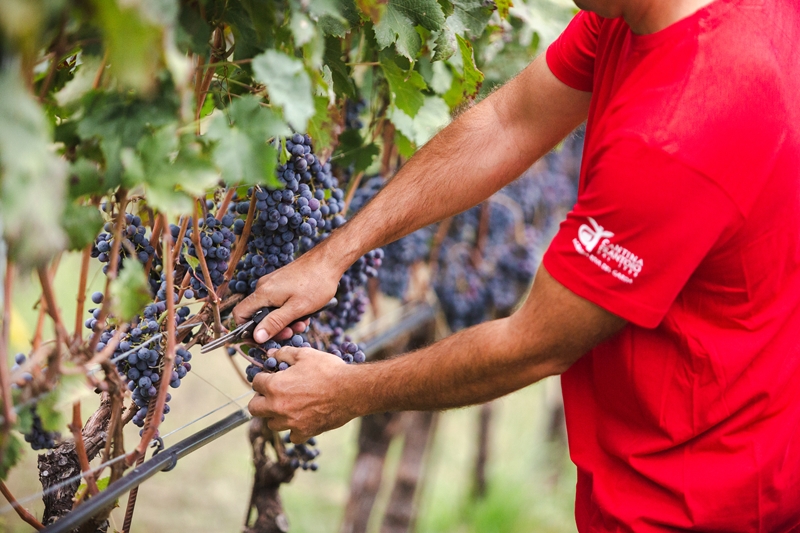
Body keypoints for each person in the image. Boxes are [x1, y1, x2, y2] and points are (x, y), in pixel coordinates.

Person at [233, 0, 800, 529]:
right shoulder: (635, 13)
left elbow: (534, 344)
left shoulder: (679, 132)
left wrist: (347, 391)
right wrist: (333, 255)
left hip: (699, 496)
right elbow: (511, 121)